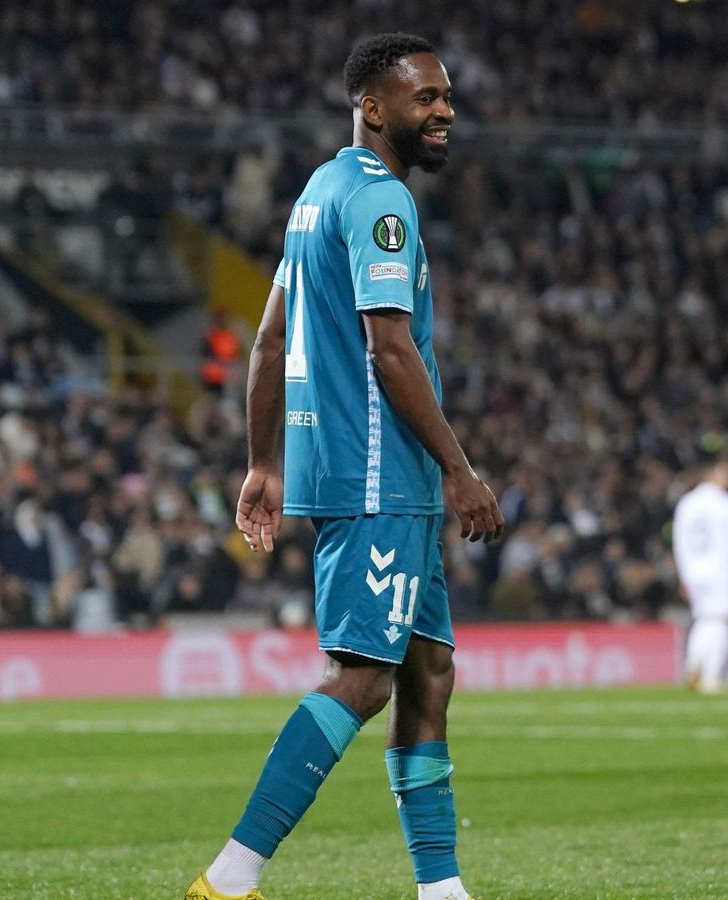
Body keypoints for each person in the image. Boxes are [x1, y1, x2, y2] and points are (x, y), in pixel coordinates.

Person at [187, 33, 503, 900]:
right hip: (380, 472)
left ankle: (442, 891)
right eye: (425, 99)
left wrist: (263, 463)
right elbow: (390, 349)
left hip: (361, 470)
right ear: (373, 107)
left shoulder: (317, 193)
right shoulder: (379, 204)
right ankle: (229, 878)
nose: (444, 113)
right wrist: (460, 468)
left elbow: (269, 337)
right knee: (363, 676)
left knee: (429, 669)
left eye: (447, 98)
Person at [672, 447, 728, 694]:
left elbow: (679, 542)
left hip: (694, 570)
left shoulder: (686, 503)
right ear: (715, 474)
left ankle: (693, 668)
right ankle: (710, 677)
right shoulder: (727, 504)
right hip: (720, 569)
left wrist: (683, 575)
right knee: (721, 620)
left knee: (704, 618)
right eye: (726, 472)